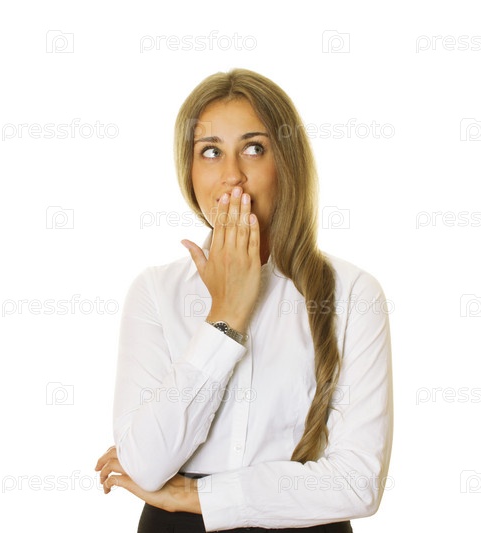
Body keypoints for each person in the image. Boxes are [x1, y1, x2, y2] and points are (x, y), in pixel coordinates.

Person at [95, 68, 393, 532]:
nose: (232, 175)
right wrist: (226, 316)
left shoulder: (354, 293)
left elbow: (358, 483)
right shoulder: (155, 292)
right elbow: (145, 464)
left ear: (286, 163)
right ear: (189, 170)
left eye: (254, 149)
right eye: (210, 152)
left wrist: (197, 496)